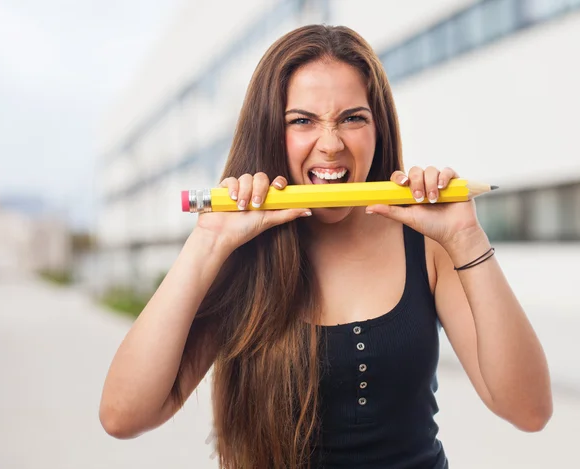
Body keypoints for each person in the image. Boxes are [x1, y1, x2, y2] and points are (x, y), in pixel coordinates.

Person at [99, 24, 552, 468]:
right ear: (270, 132)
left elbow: (529, 410)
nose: (331, 145)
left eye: (353, 118)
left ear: (379, 128)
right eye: (302, 121)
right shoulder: (237, 252)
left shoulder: (428, 242)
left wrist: (466, 238)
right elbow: (123, 416)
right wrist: (208, 243)